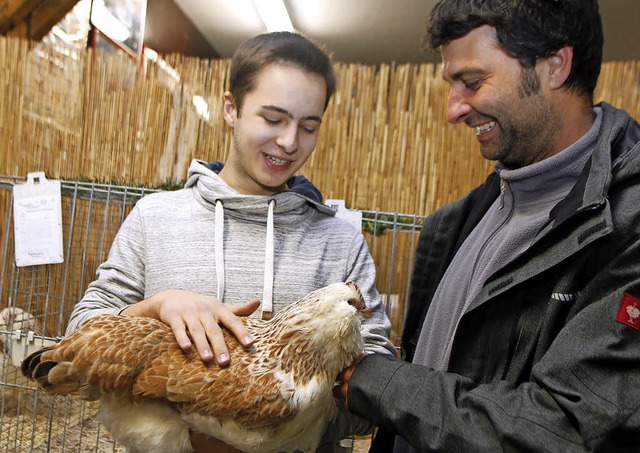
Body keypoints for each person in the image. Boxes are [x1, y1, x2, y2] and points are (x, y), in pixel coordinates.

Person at [66, 31, 395, 452]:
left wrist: (269, 431)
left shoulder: (340, 243)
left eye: (308, 127)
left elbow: (375, 377)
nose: (290, 142)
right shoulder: (156, 217)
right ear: (230, 108)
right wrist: (154, 306)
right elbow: (82, 333)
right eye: (273, 119)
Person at [335, 0, 640, 451]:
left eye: (472, 82)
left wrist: (374, 381)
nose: (453, 110)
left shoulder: (626, 225)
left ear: (555, 65)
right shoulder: (458, 223)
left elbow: (563, 428)